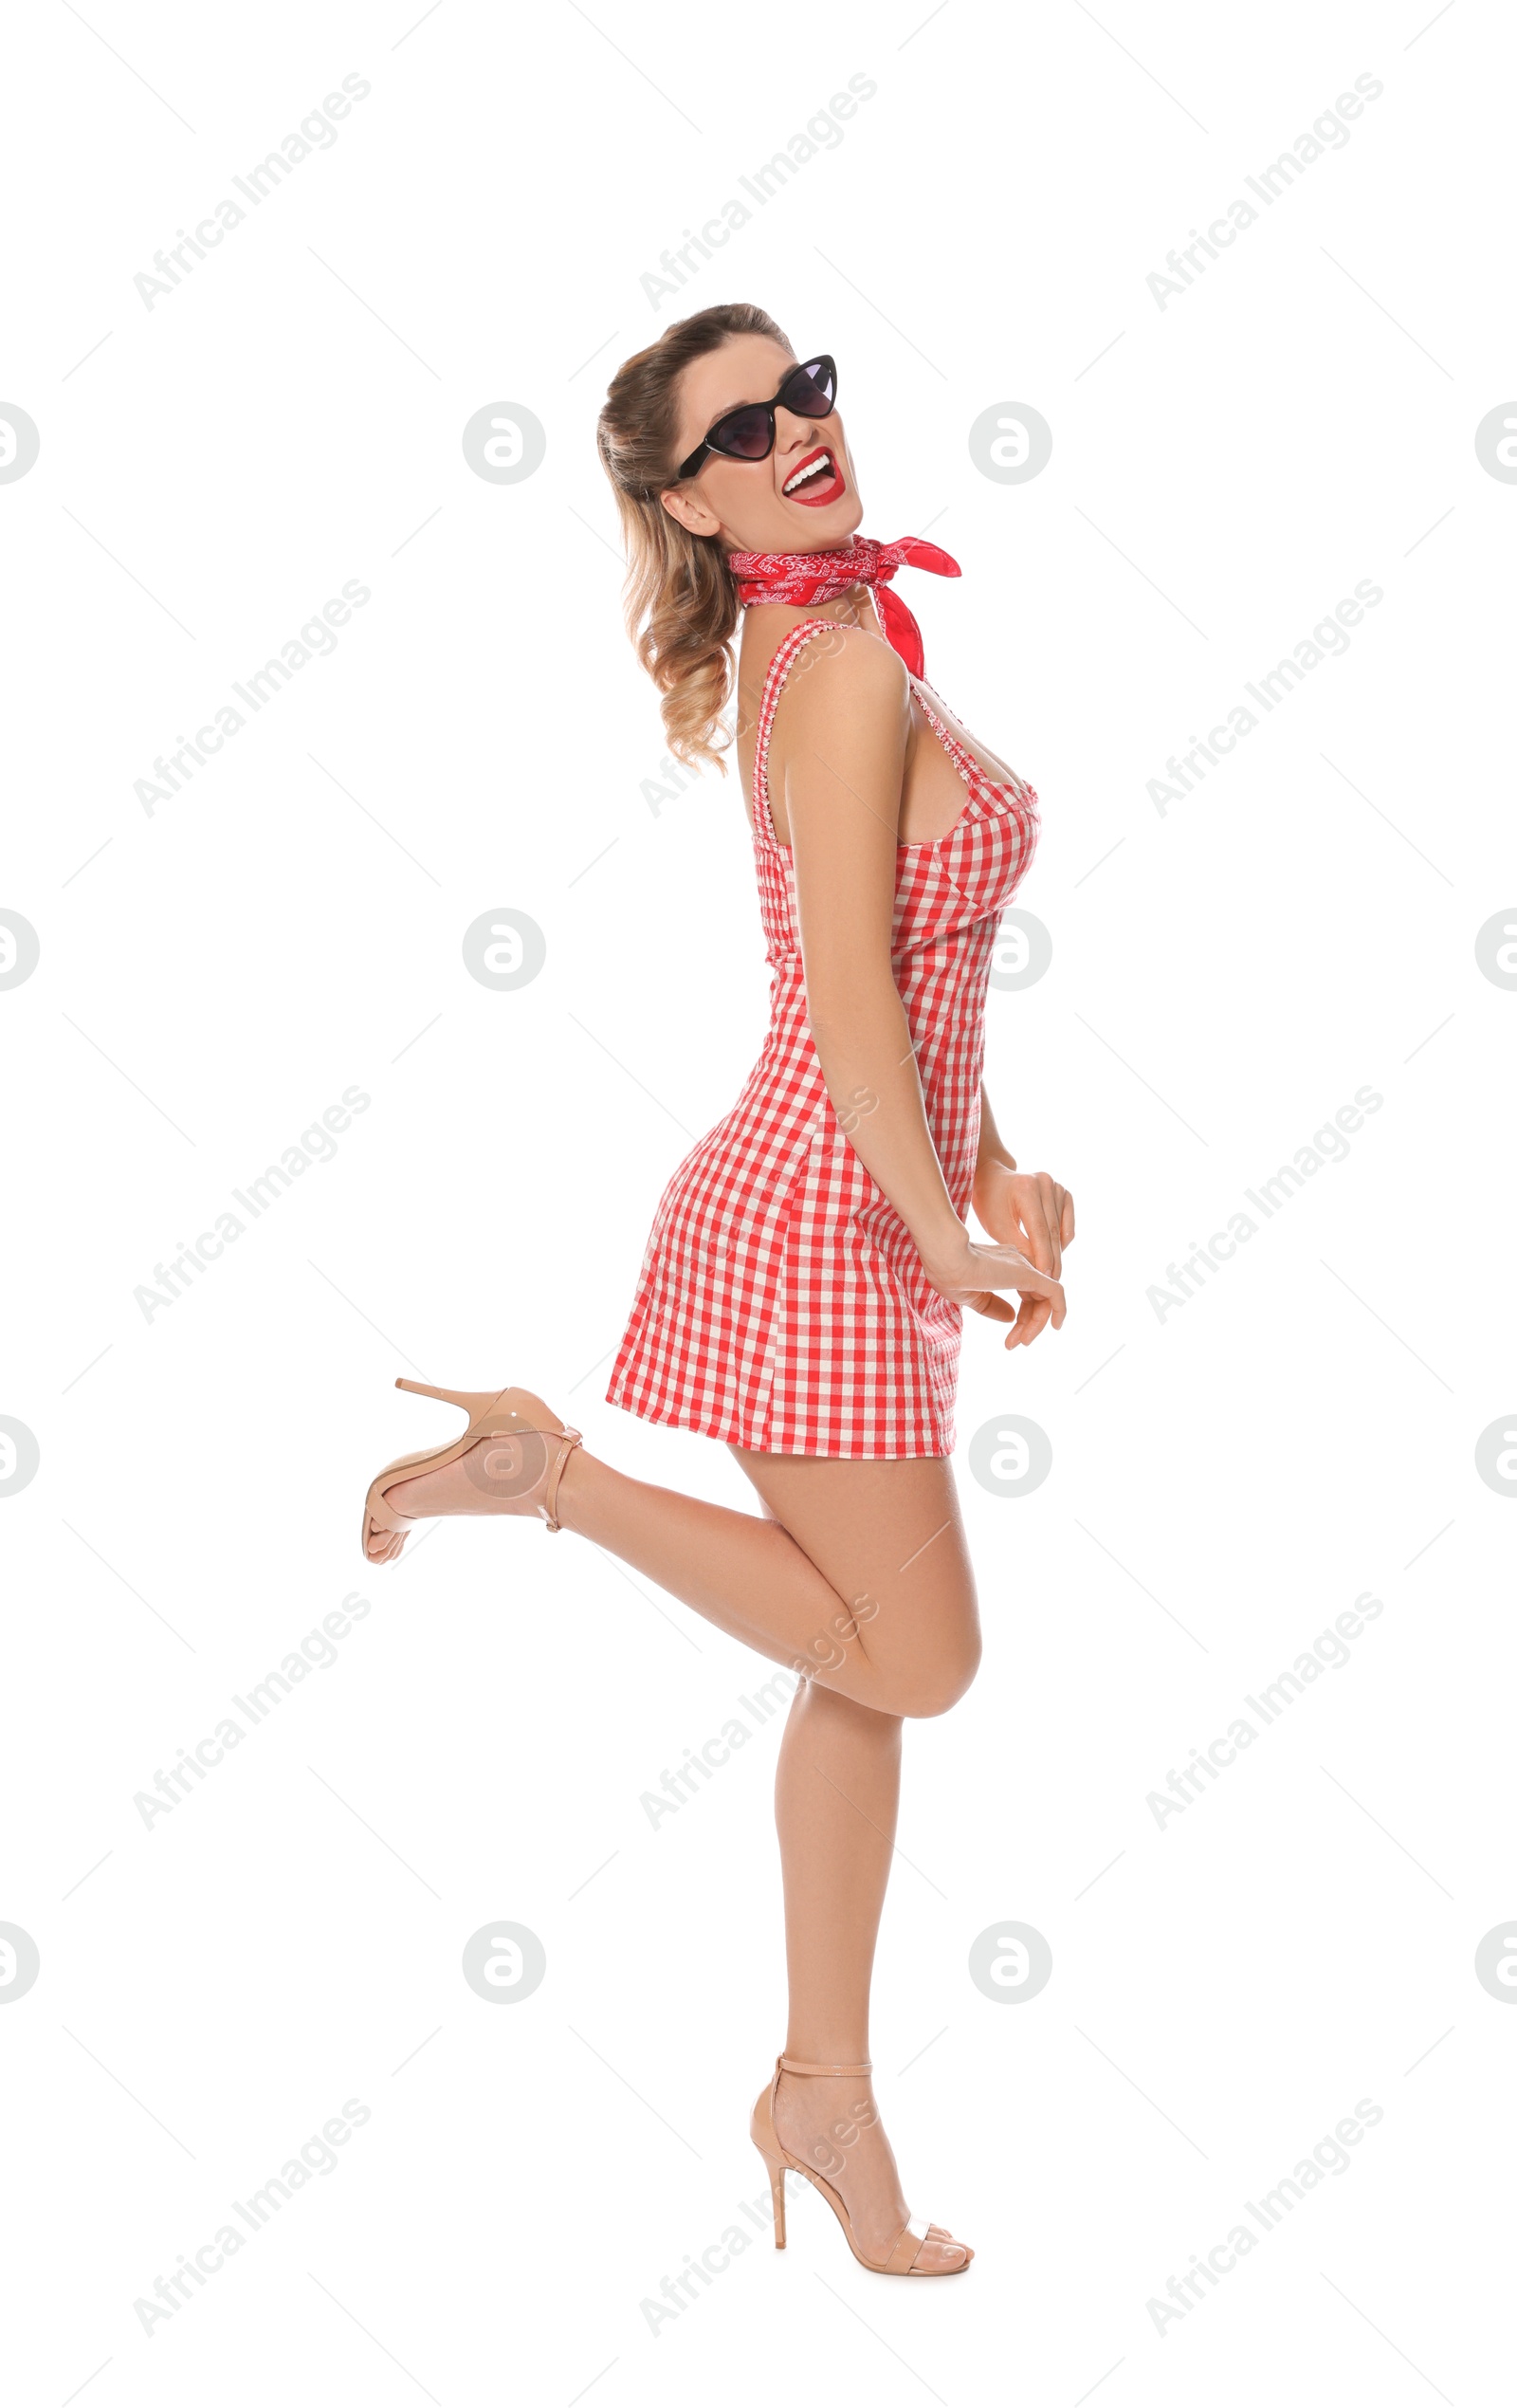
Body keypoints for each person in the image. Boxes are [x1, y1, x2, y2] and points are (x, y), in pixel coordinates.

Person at [362, 303, 1074, 2277]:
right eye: (743, 426)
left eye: (806, 388)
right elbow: (845, 990)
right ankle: (550, 1478)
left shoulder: (830, 641)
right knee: (915, 1658)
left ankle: (820, 2093)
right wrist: (938, 1227)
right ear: (684, 495)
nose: (798, 431)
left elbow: (918, 983)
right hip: (813, 1226)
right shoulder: (831, 665)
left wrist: (992, 1161)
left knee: (856, 1664)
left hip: (851, 1201)